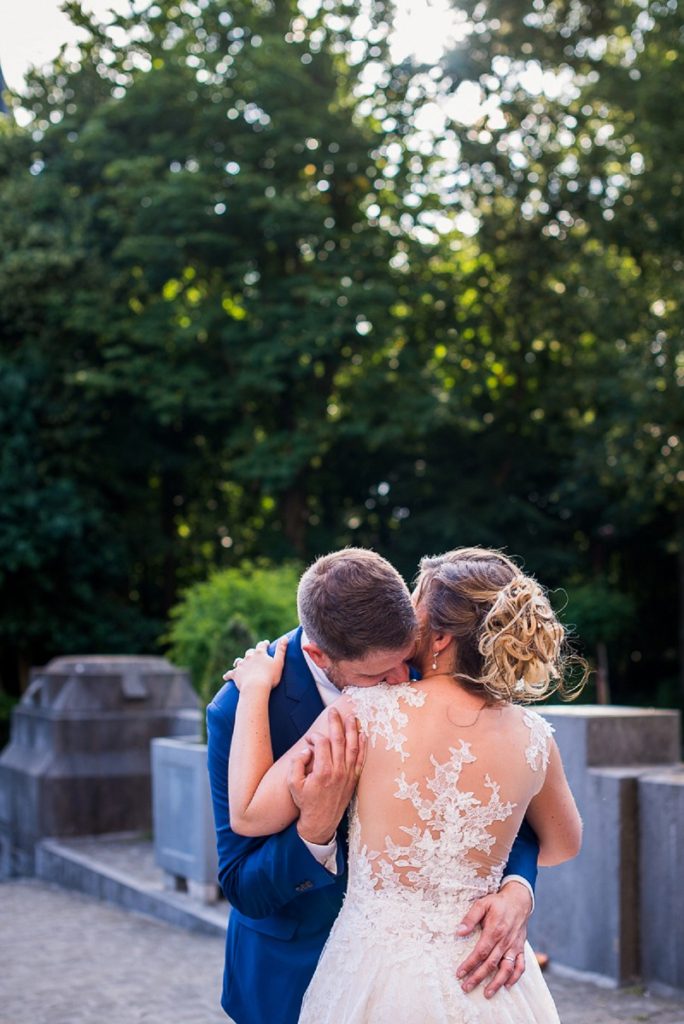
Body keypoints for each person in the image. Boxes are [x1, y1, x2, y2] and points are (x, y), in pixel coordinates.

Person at [226, 547, 583, 1024]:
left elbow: (249, 811)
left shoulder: (363, 711)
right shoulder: (535, 736)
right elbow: (563, 842)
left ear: (438, 638)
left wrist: (519, 888)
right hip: (479, 977)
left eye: (416, 599)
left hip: (373, 972)